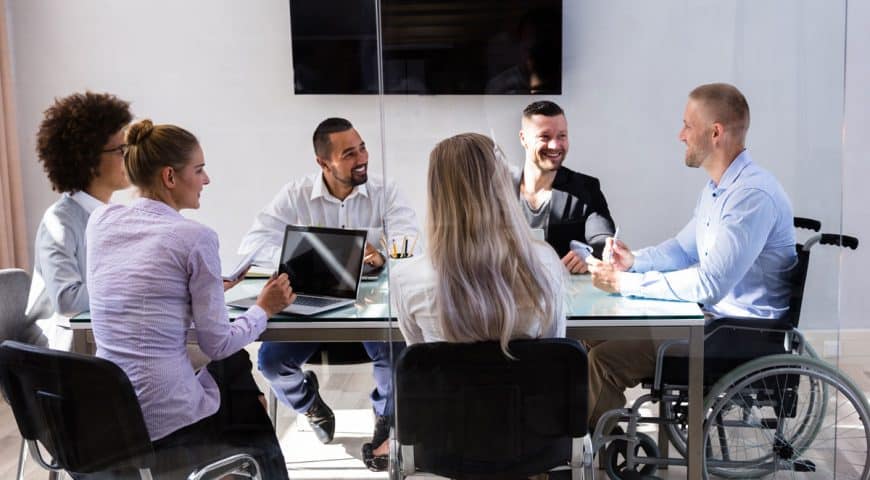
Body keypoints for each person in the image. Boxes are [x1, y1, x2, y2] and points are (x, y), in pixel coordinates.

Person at [86, 119, 294, 479]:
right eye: (198, 170)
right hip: (164, 422)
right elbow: (218, 344)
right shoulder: (194, 237)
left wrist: (201, 291)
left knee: (233, 378)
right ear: (170, 177)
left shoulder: (101, 221)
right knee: (241, 390)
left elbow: (140, 291)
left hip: (111, 415)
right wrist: (265, 307)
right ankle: (261, 470)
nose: (206, 180)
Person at [586, 83, 797, 431]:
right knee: (593, 336)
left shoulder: (751, 196)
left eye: (687, 125)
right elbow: (684, 249)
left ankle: (608, 451)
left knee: (603, 360)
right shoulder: (719, 189)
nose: (680, 135)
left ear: (715, 133)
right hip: (711, 325)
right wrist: (633, 261)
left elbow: (710, 284)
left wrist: (626, 284)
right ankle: (605, 442)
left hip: (733, 337)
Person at [238, 117, 419, 469]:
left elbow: (408, 244)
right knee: (271, 362)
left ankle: (385, 417)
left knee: (394, 349)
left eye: (362, 147)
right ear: (324, 163)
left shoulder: (387, 191)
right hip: (312, 300)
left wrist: (383, 256)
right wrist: (311, 259)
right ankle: (309, 405)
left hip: (370, 306)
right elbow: (253, 245)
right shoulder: (296, 194)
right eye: (349, 153)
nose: (362, 158)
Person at [393, 132, 566, 349]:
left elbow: (419, 366)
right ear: (502, 188)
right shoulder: (544, 264)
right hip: (527, 383)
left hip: (448, 383)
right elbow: (556, 349)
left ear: (437, 195)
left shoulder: (407, 279)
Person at [25, 92, 133, 349]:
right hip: (60, 352)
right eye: (121, 150)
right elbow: (67, 300)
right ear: (89, 159)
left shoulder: (113, 216)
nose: (130, 156)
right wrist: (135, 288)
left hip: (97, 340)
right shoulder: (59, 222)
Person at [515, 100, 615, 274]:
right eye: (544, 137)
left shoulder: (586, 188)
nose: (555, 145)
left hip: (568, 295)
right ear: (523, 139)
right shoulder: (498, 190)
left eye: (562, 136)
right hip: (508, 294)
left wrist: (588, 256)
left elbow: (603, 241)